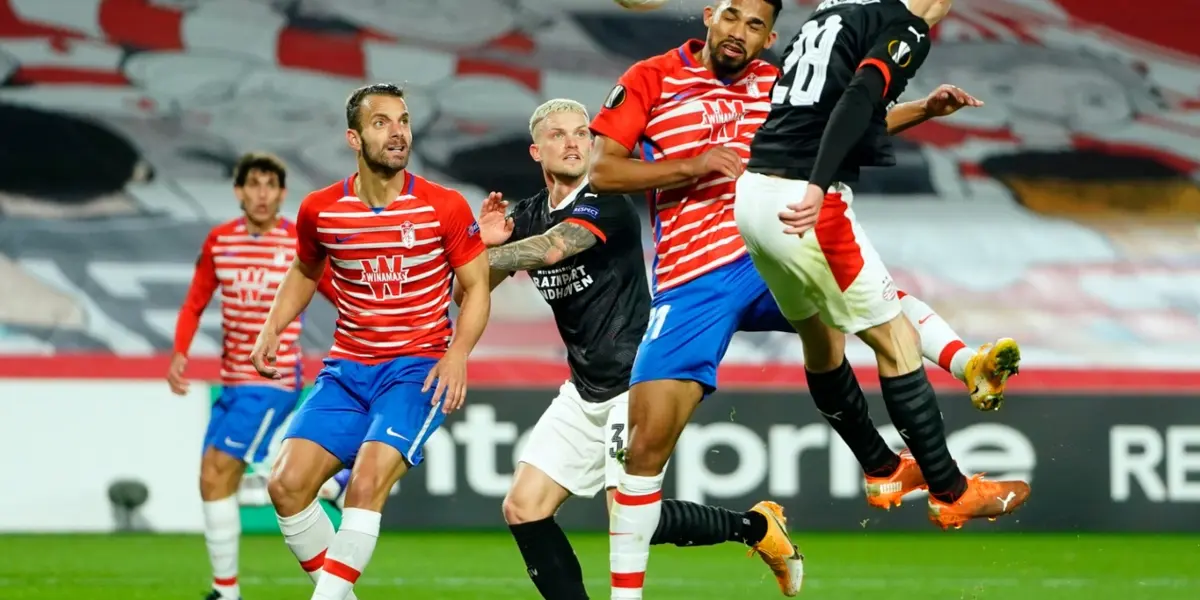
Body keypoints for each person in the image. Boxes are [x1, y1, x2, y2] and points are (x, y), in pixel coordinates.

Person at [587, 1, 1019, 597]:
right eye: (732, 16)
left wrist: (922, 109)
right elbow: (604, 172)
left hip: (767, 247)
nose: (740, 32)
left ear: (770, 39)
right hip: (693, 278)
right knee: (644, 451)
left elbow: (844, 125)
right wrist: (692, 165)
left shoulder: (781, 81)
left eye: (756, 25)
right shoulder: (651, 77)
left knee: (875, 307)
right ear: (709, 15)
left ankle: (961, 372)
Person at [461, 98, 802, 599]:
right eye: (558, 135)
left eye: (583, 132)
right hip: (583, 388)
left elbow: (556, 247)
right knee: (523, 507)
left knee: (631, 518)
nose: (574, 141)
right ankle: (756, 527)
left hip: (636, 382)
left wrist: (473, 248)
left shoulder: (607, 199)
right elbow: (467, 293)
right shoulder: (526, 215)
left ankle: (756, 529)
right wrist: (485, 248)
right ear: (536, 150)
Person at [735, 0, 1029, 532]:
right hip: (806, 201)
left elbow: (829, 111)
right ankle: (952, 489)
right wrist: (819, 185)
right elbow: (857, 97)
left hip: (755, 196)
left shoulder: (832, 17)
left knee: (821, 338)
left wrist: (920, 109)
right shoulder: (905, 26)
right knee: (896, 339)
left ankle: (881, 468)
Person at [250, 83, 491, 600]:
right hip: (348, 370)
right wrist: (272, 325)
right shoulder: (321, 210)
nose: (398, 131)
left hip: (417, 369)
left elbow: (475, 289)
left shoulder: (443, 206)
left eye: (402, 120)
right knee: (285, 486)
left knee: (365, 483)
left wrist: (457, 354)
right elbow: (304, 270)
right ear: (354, 139)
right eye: (381, 122)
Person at [168, 152, 348, 600]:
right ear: (239, 191)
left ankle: (226, 592)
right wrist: (179, 353)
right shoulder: (220, 242)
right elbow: (195, 302)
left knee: (220, 470)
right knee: (213, 480)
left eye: (270, 185)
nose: (262, 193)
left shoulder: (297, 243)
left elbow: (338, 294)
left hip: (272, 379)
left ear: (282, 194)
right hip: (232, 382)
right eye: (254, 185)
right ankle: (330, 484)